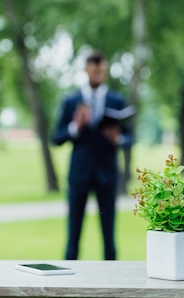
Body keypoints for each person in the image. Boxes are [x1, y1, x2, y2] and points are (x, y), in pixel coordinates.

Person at [52, 50, 133, 260]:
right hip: (79, 173)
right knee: (73, 236)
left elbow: (130, 137)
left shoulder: (117, 100)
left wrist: (118, 139)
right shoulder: (71, 100)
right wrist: (74, 127)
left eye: (102, 70)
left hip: (107, 173)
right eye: (94, 70)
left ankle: (112, 285)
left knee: (109, 237)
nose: (98, 74)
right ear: (87, 70)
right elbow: (56, 137)